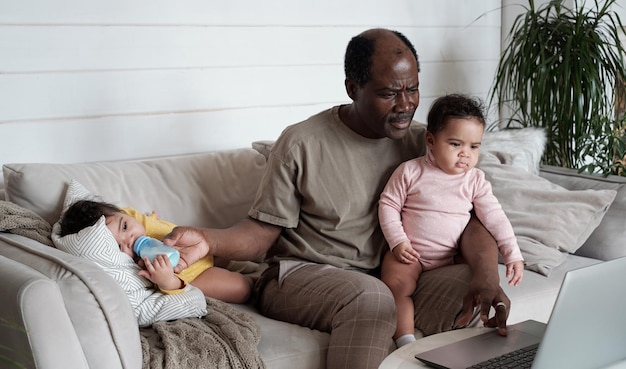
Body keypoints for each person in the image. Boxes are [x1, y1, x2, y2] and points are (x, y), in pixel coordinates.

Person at [163, 28, 512, 369]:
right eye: (390, 93)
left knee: (475, 290)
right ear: (353, 88)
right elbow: (259, 234)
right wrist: (208, 240)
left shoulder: (429, 143)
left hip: (392, 276)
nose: (406, 105)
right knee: (370, 297)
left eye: (413, 89)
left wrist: (486, 275)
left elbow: (472, 218)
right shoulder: (302, 142)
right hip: (301, 275)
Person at [379, 94, 524, 348]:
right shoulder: (411, 171)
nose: (465, 155)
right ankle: (405, 339)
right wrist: (398, 242)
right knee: (397, 286)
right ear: (431, 141)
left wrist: (512, 253)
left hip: (450, 257)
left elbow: (495, 217)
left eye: (473, 147)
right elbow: (388, 205)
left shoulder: (475, 180)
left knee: (476, 279)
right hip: (409, 253)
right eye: (455, 144)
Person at [60, 199, 252, 303]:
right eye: (119, 247)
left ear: (124, 214)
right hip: (194, 275)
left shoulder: (131, 216)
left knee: (237, 250)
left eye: (125, 227)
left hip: (200, 248)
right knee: (241, 288)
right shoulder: (136, 265)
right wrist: (167, 279)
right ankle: (257, 282)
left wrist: (151, 218)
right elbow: (165, 288)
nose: (129, 239)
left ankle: (252, 264)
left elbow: (138, 219)